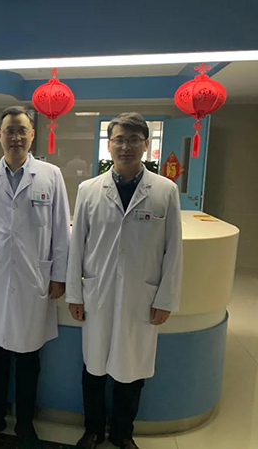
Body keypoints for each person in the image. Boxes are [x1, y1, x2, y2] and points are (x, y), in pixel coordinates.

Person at [66, 113, 183, 449]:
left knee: (131, 370)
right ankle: (92, 430)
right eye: (119, 139)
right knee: (94, 367)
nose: (125, 146)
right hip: (97, 292)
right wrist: (75, 294)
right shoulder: (89, 190)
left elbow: (173, 250)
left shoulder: (165, 191)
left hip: (141, 296)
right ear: (109, 145)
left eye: (133, 140)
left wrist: (165, 299)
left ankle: (122, 434)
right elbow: (77, 247)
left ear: (145, 145)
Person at [0, 106, 70, 449]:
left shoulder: (51, 175)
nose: (16, 137)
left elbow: (60, 230)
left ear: (32, 135)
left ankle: (25, 425)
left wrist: (59, 276)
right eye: (9, 130)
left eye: (22, 130)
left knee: (29, 358)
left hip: (34, 278)